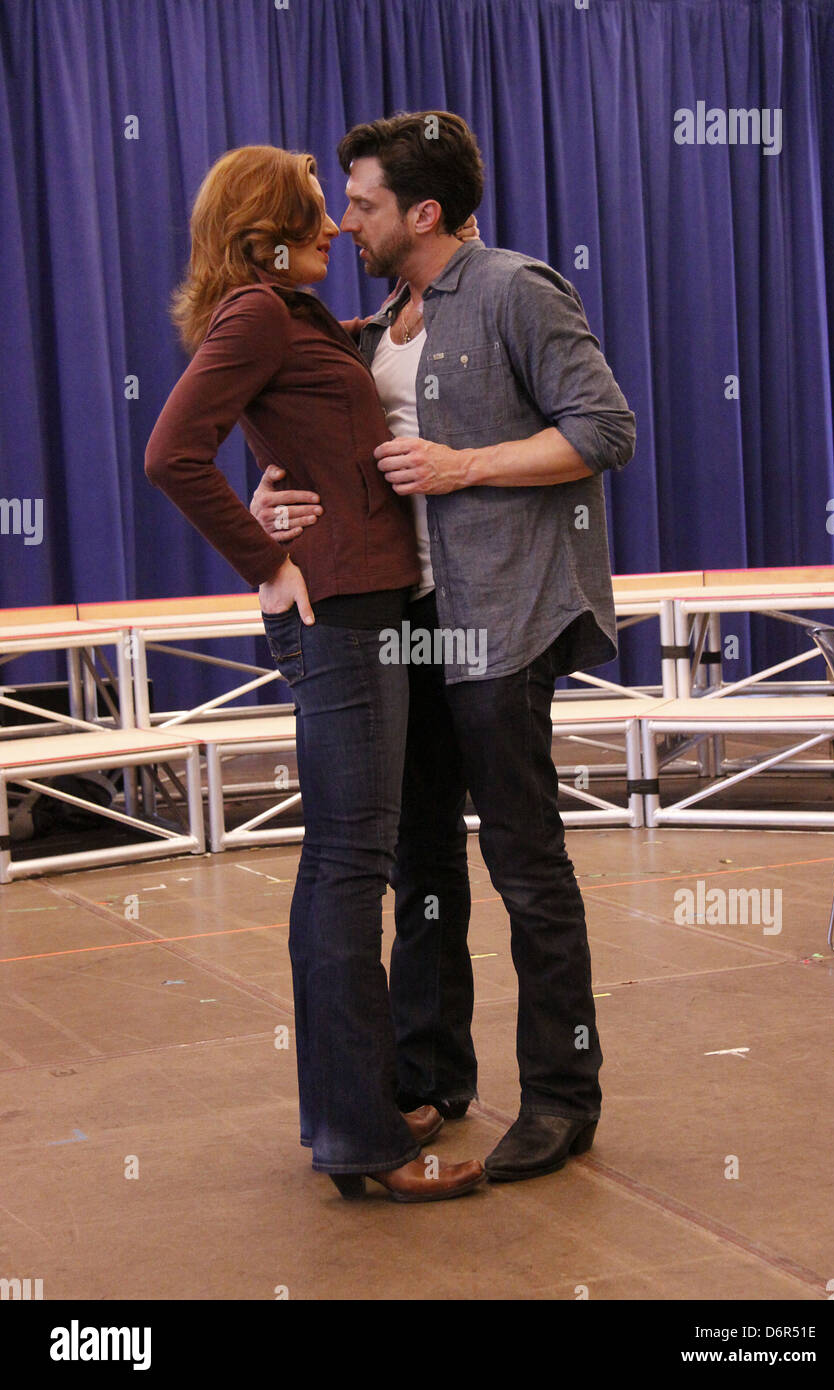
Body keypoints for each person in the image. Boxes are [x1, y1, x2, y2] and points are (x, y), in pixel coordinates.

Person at [252, 112, 637, 1183]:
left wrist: (466, 467)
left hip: (502, 622)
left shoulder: (516, 289)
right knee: (419, 862)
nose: (344, 217)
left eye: (363, 201)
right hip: (403, 625)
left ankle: (562, 1097)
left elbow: (604, 429)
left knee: (524, 865)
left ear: (422, 212)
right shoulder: (374, 327)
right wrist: (270, 503)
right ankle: (427, 1077)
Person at [144, 144, 485, 1203]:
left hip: (364, 607)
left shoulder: (289, 318)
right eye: (318, 214)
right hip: (336, 615)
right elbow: (170, 452)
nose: (336, 229)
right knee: (347, 865)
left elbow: (311, 405)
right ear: (272, 231)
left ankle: (362, 1105)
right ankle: (361, 1139)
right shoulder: (254, 315)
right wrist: (268, 558)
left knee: (354, 861)